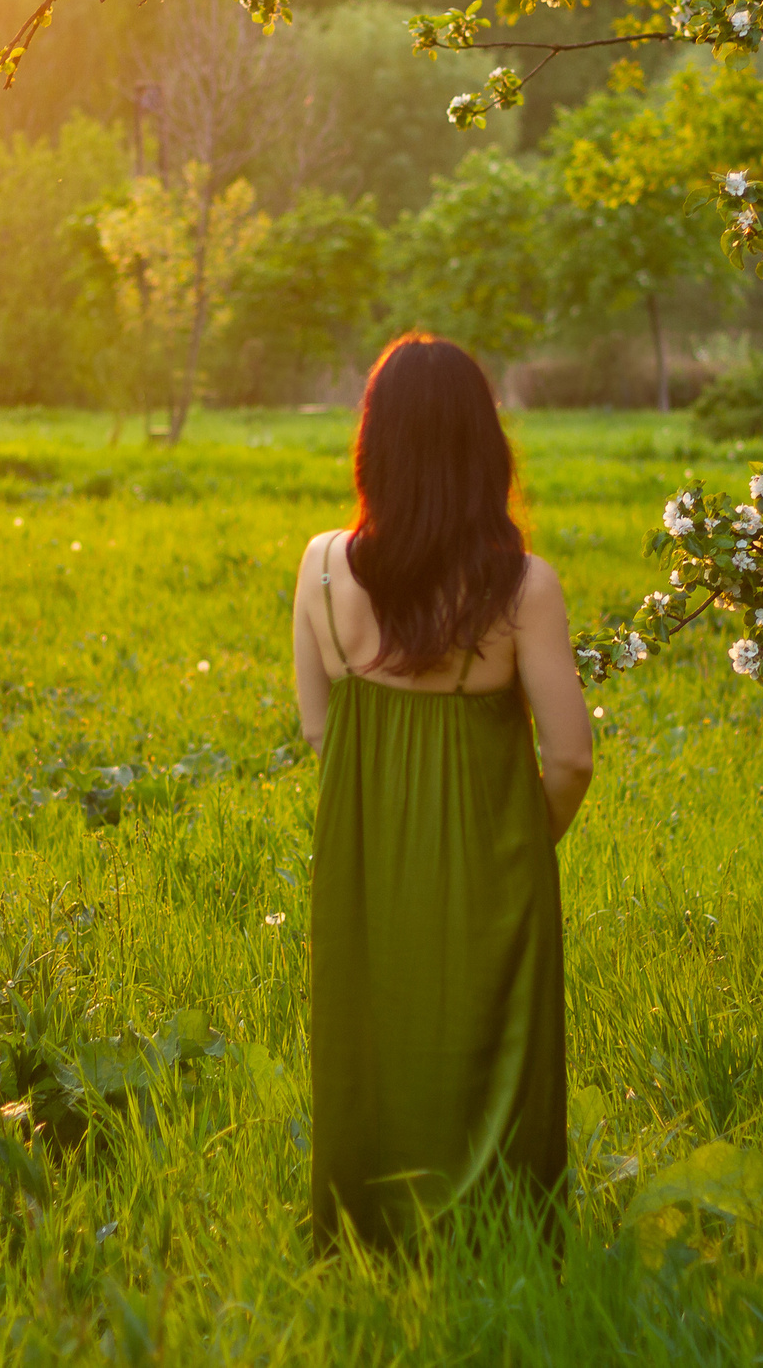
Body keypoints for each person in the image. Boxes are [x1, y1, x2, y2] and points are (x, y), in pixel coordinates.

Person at [290, 333, 595, 1254]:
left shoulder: (322, 566)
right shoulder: (522, 586)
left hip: (364, 854)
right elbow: (571, 758)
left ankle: (368, 1230)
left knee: (371, 1040)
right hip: (492, 852)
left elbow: (319, 730)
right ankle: (500, 1235)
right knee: (494, 1037)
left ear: (373, 444)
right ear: (482, 447)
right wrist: (516, 844)